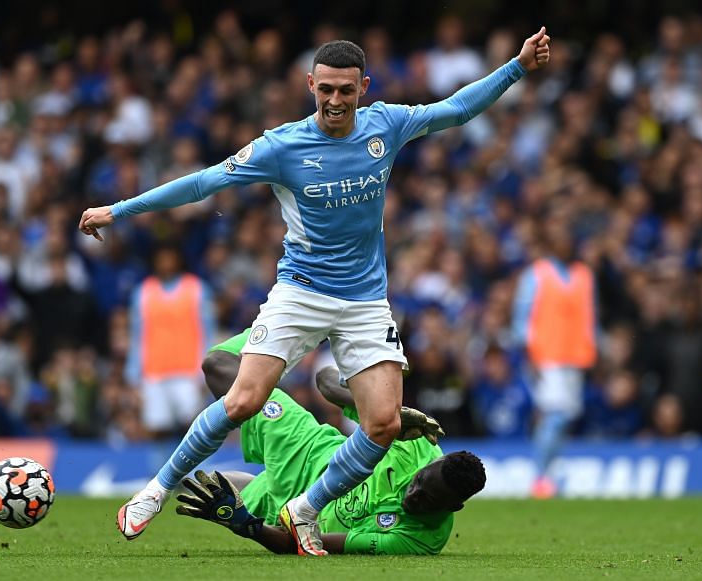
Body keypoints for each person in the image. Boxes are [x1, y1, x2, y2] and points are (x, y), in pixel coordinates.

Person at [79, 28, 550, 555]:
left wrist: (516, 66)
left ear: (363, 87)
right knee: (242, 400)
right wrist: (117, 211)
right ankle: (154, 491)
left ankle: (303, 511)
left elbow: (457, 109)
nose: (334, 100)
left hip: (366, 301)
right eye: (325, 89)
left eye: (346, 90)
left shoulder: (385, 126)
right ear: (310, 85)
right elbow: (202, 184)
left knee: (383, 424)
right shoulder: (283, 145)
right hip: (300, 291)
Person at [175, 329, 484, 555]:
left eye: (427, 500)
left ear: (453, 507)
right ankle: (285, 325)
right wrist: (385, 412)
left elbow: (305, 542)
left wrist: (246, 526)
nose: (413, 495)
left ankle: (184, 485)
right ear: (429, 464)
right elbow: (324, 379)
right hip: (306, 448)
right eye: (418, 483)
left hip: (290, 511)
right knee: (218, 364)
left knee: (227, 491)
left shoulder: (420, 540)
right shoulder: (416, 440)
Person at [512, 207, 597, 498]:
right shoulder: (536, 275)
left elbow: (589, 317)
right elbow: (522, 319)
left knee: (565, 416)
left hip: (575, 357)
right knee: (555, 414)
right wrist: (528, 353)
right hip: (546, 357)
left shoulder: (584, 275)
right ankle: (541, 477)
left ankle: (549, 475)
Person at [125, 244, 215, 437]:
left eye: (170, 257)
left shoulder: (197, 289)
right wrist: (133, 375)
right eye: (161, 258)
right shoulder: (142, 293)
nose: (166, 263)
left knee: (192, 428)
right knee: (157, 430)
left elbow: (208, 332)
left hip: (188, 372)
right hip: (154, 373)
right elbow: (137, 336)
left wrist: (205, 371)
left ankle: (193, 468)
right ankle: (160, 468)